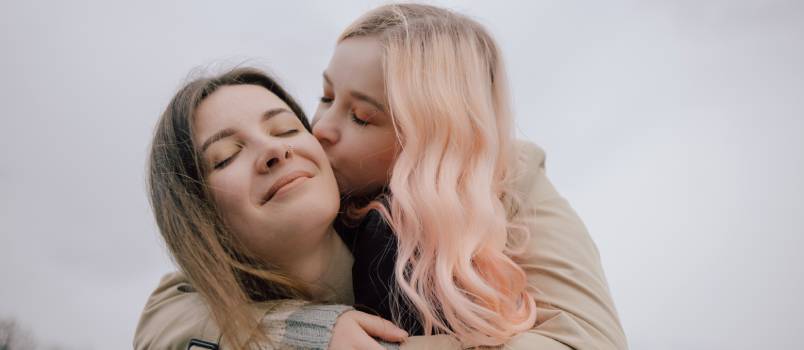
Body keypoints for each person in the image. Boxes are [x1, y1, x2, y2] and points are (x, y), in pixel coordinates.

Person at [136, 3, 628, 350]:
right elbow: (168, 313)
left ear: (424, 144)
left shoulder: (503, 180)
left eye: (362, 117)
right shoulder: (291, 199)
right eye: (325, 98)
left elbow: (585, 340)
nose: (318, 130)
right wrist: (309, 331)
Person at [138, 67, 409, 350]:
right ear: (198, 216)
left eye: (286, 130)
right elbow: (162, 316)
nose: (275, 150)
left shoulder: (436, 242)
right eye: (226, 157)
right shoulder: (181, 306)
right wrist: (308, 331)